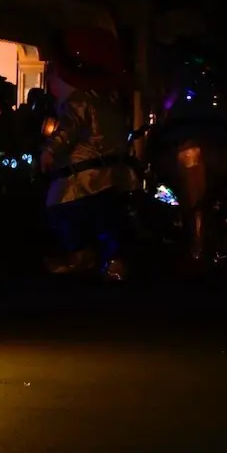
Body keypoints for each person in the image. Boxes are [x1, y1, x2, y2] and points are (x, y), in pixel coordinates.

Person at [40, 25, 134, 280]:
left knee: (63, 210)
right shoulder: (110, 102)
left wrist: (49, 151)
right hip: (111, 175)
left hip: (80, 178)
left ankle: (80, 255)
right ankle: (113, 262)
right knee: (107, 220)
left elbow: (67, 131)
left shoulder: (79, 101)